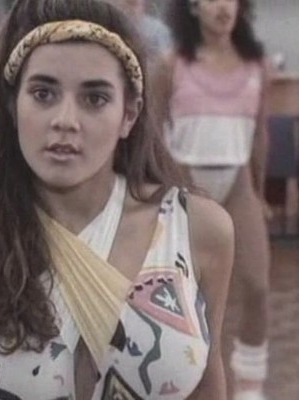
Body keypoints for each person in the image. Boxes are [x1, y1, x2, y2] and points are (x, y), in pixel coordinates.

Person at [0, 0, 234, 399]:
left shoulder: (196, 231)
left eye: (95, 98)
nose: (65, 120)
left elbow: (208, 384)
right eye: (43, 93)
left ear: (129, 114)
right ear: (12, 105)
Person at [157, 1, 271, 399]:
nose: (222, 6)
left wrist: (259, 191)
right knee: (199, 299)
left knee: (257, 286)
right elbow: (151, 132)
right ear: (193, 7)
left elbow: (259, 134)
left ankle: (250, 387)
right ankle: (199, 383)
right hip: (186, 182)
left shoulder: (257, 65)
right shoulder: (172, 63)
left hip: (238, 182)